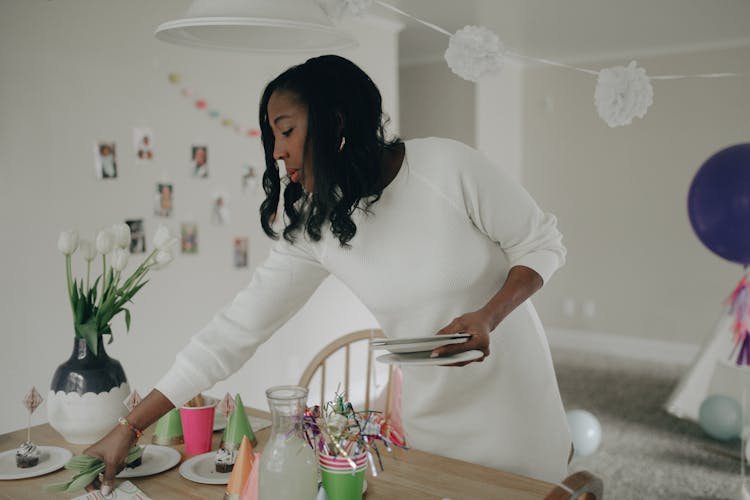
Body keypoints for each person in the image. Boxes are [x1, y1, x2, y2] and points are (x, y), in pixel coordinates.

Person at [83, 55, 572, 494]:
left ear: (335, 121)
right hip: (433, 432)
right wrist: (130, 426)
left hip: (517, 423)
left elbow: (541, 242)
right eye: (271, 136)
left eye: (286, 130)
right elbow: (231, 333)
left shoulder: (447, 165)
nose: (276, 150)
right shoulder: (317, 229)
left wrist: (489, 315)